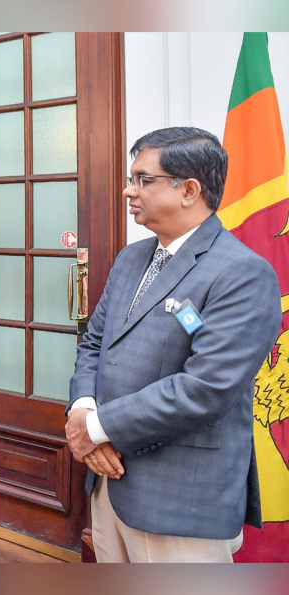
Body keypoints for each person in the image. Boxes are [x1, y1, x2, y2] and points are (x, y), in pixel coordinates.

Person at [65, 127, 282, 563]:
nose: (129, 190)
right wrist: (81, 409)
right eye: (132, 179)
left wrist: (95, 429)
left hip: (181, 501)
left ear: (189, 190)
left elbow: (205, 388)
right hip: (108, 484)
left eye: (144, 180)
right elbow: (94, 343)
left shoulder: (242, 273)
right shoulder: (131, 258)